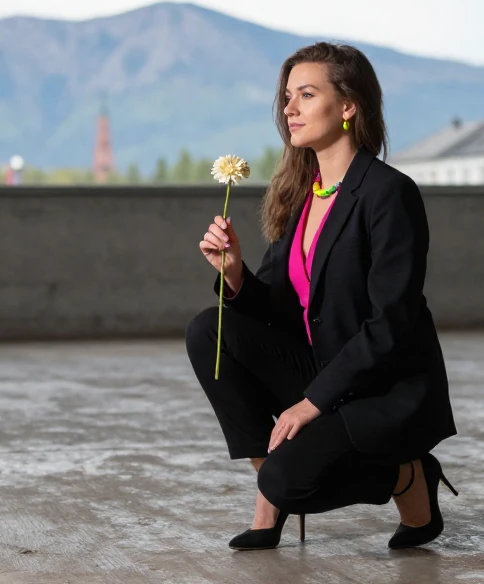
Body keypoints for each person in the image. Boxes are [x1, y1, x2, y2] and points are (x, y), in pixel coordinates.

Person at [186, 42, 457, 551]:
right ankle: (270, 495)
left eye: (306, 95)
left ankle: (408, 472)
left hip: (378, 384)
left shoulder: (388, 193)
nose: (288, 109)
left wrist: (310, 404)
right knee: (208, 329)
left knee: (295, 482)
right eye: (287, 96)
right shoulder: (299, 194)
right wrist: (236, 273)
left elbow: (390, 324)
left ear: (348, 105)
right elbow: (284, 311)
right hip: (321, 367)